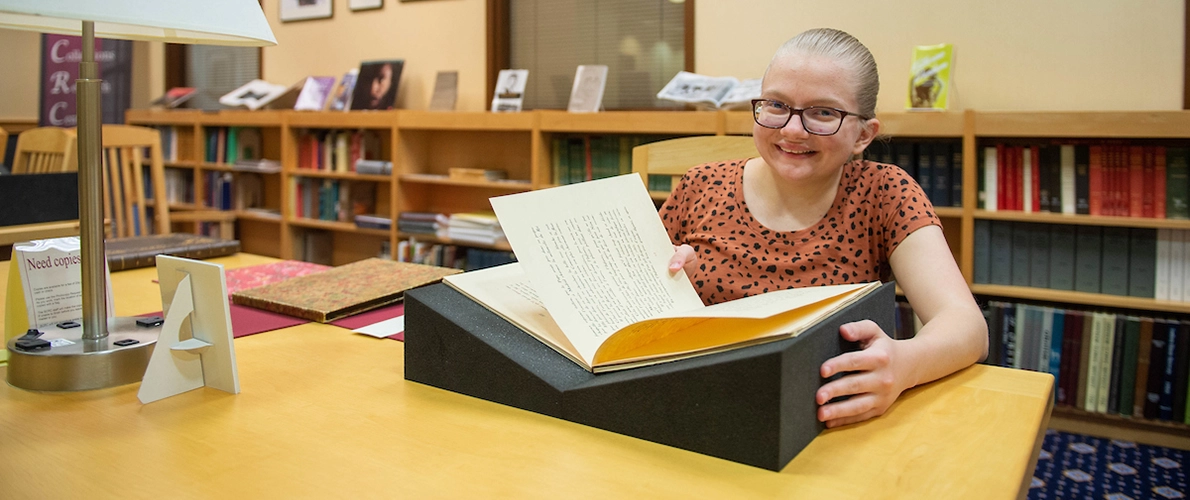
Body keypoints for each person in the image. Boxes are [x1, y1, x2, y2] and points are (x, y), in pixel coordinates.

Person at [663, 28, 987, 428]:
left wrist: (906, 364)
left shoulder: (884, 193)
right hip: (696, 407)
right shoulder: (700, 185)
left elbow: (967, 326)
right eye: (777, 105)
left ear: (864, 135)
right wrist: (669, 287)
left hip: (826, 421)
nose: (793, 130)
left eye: (823, 113)